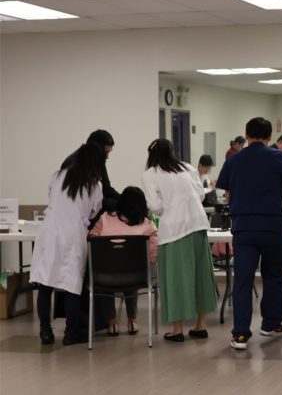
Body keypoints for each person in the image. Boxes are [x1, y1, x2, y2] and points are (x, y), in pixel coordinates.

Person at [216, 117, 282, 350]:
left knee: (243, 280)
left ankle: (240, 334)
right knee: (274, 276)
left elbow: (227, 196)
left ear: (246, 135)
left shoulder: (233, 160)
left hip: (243, 228)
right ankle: (271, 324)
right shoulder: (279, 157)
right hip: (272, 226)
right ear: (270, 137)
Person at [142, 139, 219, 343]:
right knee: (201, 275)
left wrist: (169, 203)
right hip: (198, 225)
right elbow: (200, 195)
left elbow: (155, 206)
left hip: (174, 230)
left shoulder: (150, 174)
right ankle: (201, 326)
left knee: (176, 278)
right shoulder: (187, 167)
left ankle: (177, 330)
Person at [32, 143, 105, 345]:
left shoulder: (57, 176)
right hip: (73, 234)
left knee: (45, 284)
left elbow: (52, 198)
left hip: (49, 232)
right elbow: (94, 210)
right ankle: (70, 335)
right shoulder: (94, 184)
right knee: (72, 286)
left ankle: (45, 331)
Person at [88, 186, 158, 337]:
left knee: (106, 280)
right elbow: (153, 252)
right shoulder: (147, 225)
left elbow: (91, 239)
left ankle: (112, 322)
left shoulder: (105, 219)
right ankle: (132, 320)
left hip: (105, 276)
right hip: (136, 277)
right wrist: (148, 264)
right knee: (132, 270)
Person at [61, 129, 119, 211]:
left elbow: (107, 189)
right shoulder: (72, 163)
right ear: (96, 148)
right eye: (106, 152)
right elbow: (82, 199)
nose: (107, 157)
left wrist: (126, 199)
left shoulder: (99, 160)